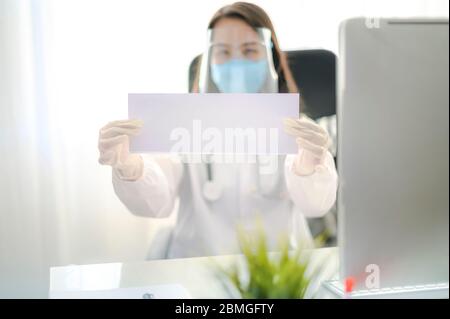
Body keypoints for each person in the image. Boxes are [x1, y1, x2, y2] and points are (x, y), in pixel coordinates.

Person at [98, 2, 338, 258]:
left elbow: (316, 205)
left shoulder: (298, 129)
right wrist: (132, 168)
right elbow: (154, 203)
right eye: (223, 52)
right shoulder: (183, 124)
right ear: (209, 62)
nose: (236, 62)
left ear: (271, 59)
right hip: (197, 268)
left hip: (276, 272)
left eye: (249, 50)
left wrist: (308, 166)